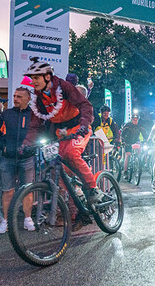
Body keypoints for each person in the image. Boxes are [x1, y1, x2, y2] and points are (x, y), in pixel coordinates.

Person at [20, 57, 105, 205]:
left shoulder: (64, 87)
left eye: (36, 78)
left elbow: (85, 105)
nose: (33, 82)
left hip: (79, 127)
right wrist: (26, 144)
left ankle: (93, 189)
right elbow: (35, 124)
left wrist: (84, 125)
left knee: (70, 153)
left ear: (47, 77)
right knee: (57, 166)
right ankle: (75, 208)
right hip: (60, 133)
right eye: (31, 78)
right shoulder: (39, 97)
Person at [0, 87, 36, 234]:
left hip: (27, 158)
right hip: (8, 158)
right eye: (14, 96)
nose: (15, 99)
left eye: (19, 96)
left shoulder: (34, 115)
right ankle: (5, 221)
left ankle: (28, 219)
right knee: (7, 191)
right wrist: (3, 147)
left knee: (27, 190)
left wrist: (33, 147)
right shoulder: (6, 114)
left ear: (28, 99)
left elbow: (41, 132)